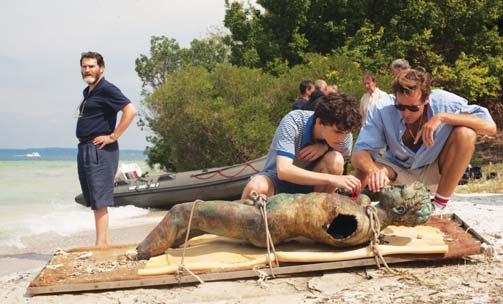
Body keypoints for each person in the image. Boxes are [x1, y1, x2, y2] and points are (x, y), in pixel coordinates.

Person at [351, 69, 496, 210]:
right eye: (400, 106)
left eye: (413, 108)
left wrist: (443, 117)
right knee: (363, 168)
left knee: (466, 133)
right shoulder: (381, 108)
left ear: (426, 99)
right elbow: (359, 153)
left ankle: (439, 204)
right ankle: (350, 208)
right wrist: (373, 171)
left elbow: (490, 127)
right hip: (396, 169)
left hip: (434, 169)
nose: (405, 113)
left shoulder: (444, 102)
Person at [241, 93, 362, 199]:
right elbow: (283, 171)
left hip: (313, 186)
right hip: (278, 180)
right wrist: (332, 179)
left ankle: (318, 216)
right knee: (255, 187)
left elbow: (339, 169)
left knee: (336, 160)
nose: (342, 139)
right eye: (337, 132)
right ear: (319, 122)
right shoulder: (294, 121)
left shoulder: (345, 135)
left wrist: (325, 146)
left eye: (346, 133)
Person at [76, 51, 137, 246]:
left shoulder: (107, 89)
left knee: (100, 200)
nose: (87, 70)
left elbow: (130, 110)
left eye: (91, 66)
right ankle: (103, 243)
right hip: (85, 147)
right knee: (94, 199)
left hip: (100, 149)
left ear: (101, 68)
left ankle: (100, 246)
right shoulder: (89, 92)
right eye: (84, 66)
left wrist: (113, 136)